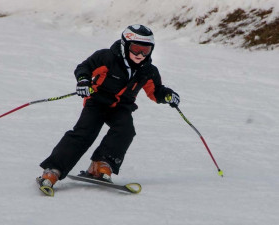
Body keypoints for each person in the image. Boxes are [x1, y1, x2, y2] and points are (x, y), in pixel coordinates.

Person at [38, 24, 180, 187]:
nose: (140, 54)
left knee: (125, 130)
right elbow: (84, 68)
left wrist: (167, 95)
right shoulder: (107, 57)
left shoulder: (148, 71)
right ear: (125, 45)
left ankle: (101, 164)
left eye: (146, 50)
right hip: (97, 102)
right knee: (84, 133)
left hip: (121, 107)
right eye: (136, 49)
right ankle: (53, 170)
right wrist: (84, 81)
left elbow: (155, 91)